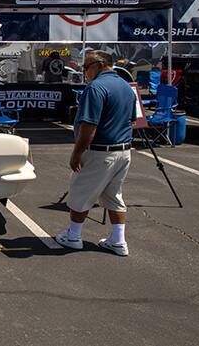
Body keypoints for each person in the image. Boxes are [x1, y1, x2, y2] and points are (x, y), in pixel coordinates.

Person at [55, 50, 137, 257]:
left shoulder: (96, 88)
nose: (83, 72)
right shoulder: (126, 87)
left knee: (80, 192)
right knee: (114, 195)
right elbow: (132, 120)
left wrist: (77, 153)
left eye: (86, 67)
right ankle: (118, 240)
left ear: (100, 65)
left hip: (100, 152)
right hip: (123, 151)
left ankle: (73, 235)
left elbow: (88, 126)